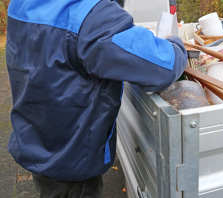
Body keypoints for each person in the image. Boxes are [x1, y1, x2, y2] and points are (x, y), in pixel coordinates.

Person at [6, 0, 187, 197]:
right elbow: (163, 66)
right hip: (72, 161)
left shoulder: (21, 3)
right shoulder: (91, 14)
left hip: (38, 143)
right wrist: (175, 44)